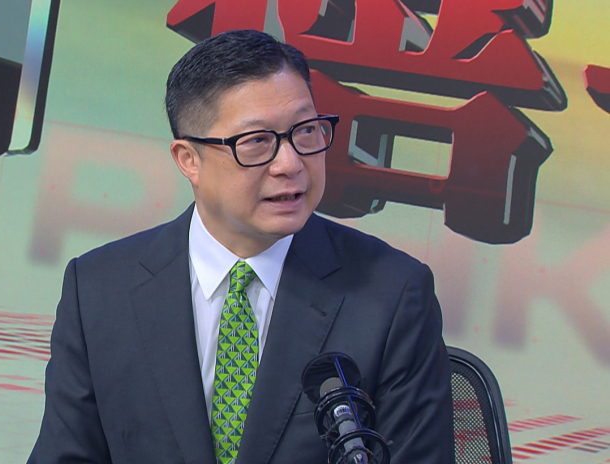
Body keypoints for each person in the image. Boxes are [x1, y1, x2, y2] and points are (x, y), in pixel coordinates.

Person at [28, 29, 454, 464]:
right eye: (257, 142)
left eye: (306, 131)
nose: (290, 163)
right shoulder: (99, 291)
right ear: (189, 160)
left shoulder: (393, 294)